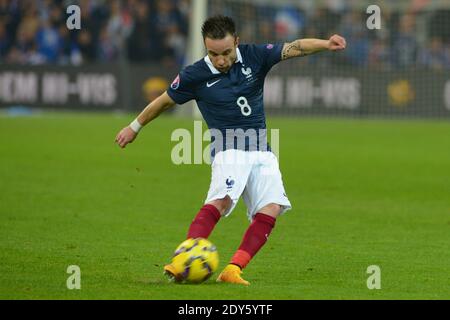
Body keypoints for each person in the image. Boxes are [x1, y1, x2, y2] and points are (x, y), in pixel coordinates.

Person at [115, 15, 346, 285]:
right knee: (222, 201)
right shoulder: (194, 74)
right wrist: (134, 127)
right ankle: (183, 262)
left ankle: (233, 269)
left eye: (226, 52)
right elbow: (164, 102)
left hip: (262, 150)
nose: (221, 60)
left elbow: (294, 47)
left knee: (271, 208)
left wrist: (325, 44)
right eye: (213, 54)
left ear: (236, 42)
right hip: (229, 149)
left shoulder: (254, 56)